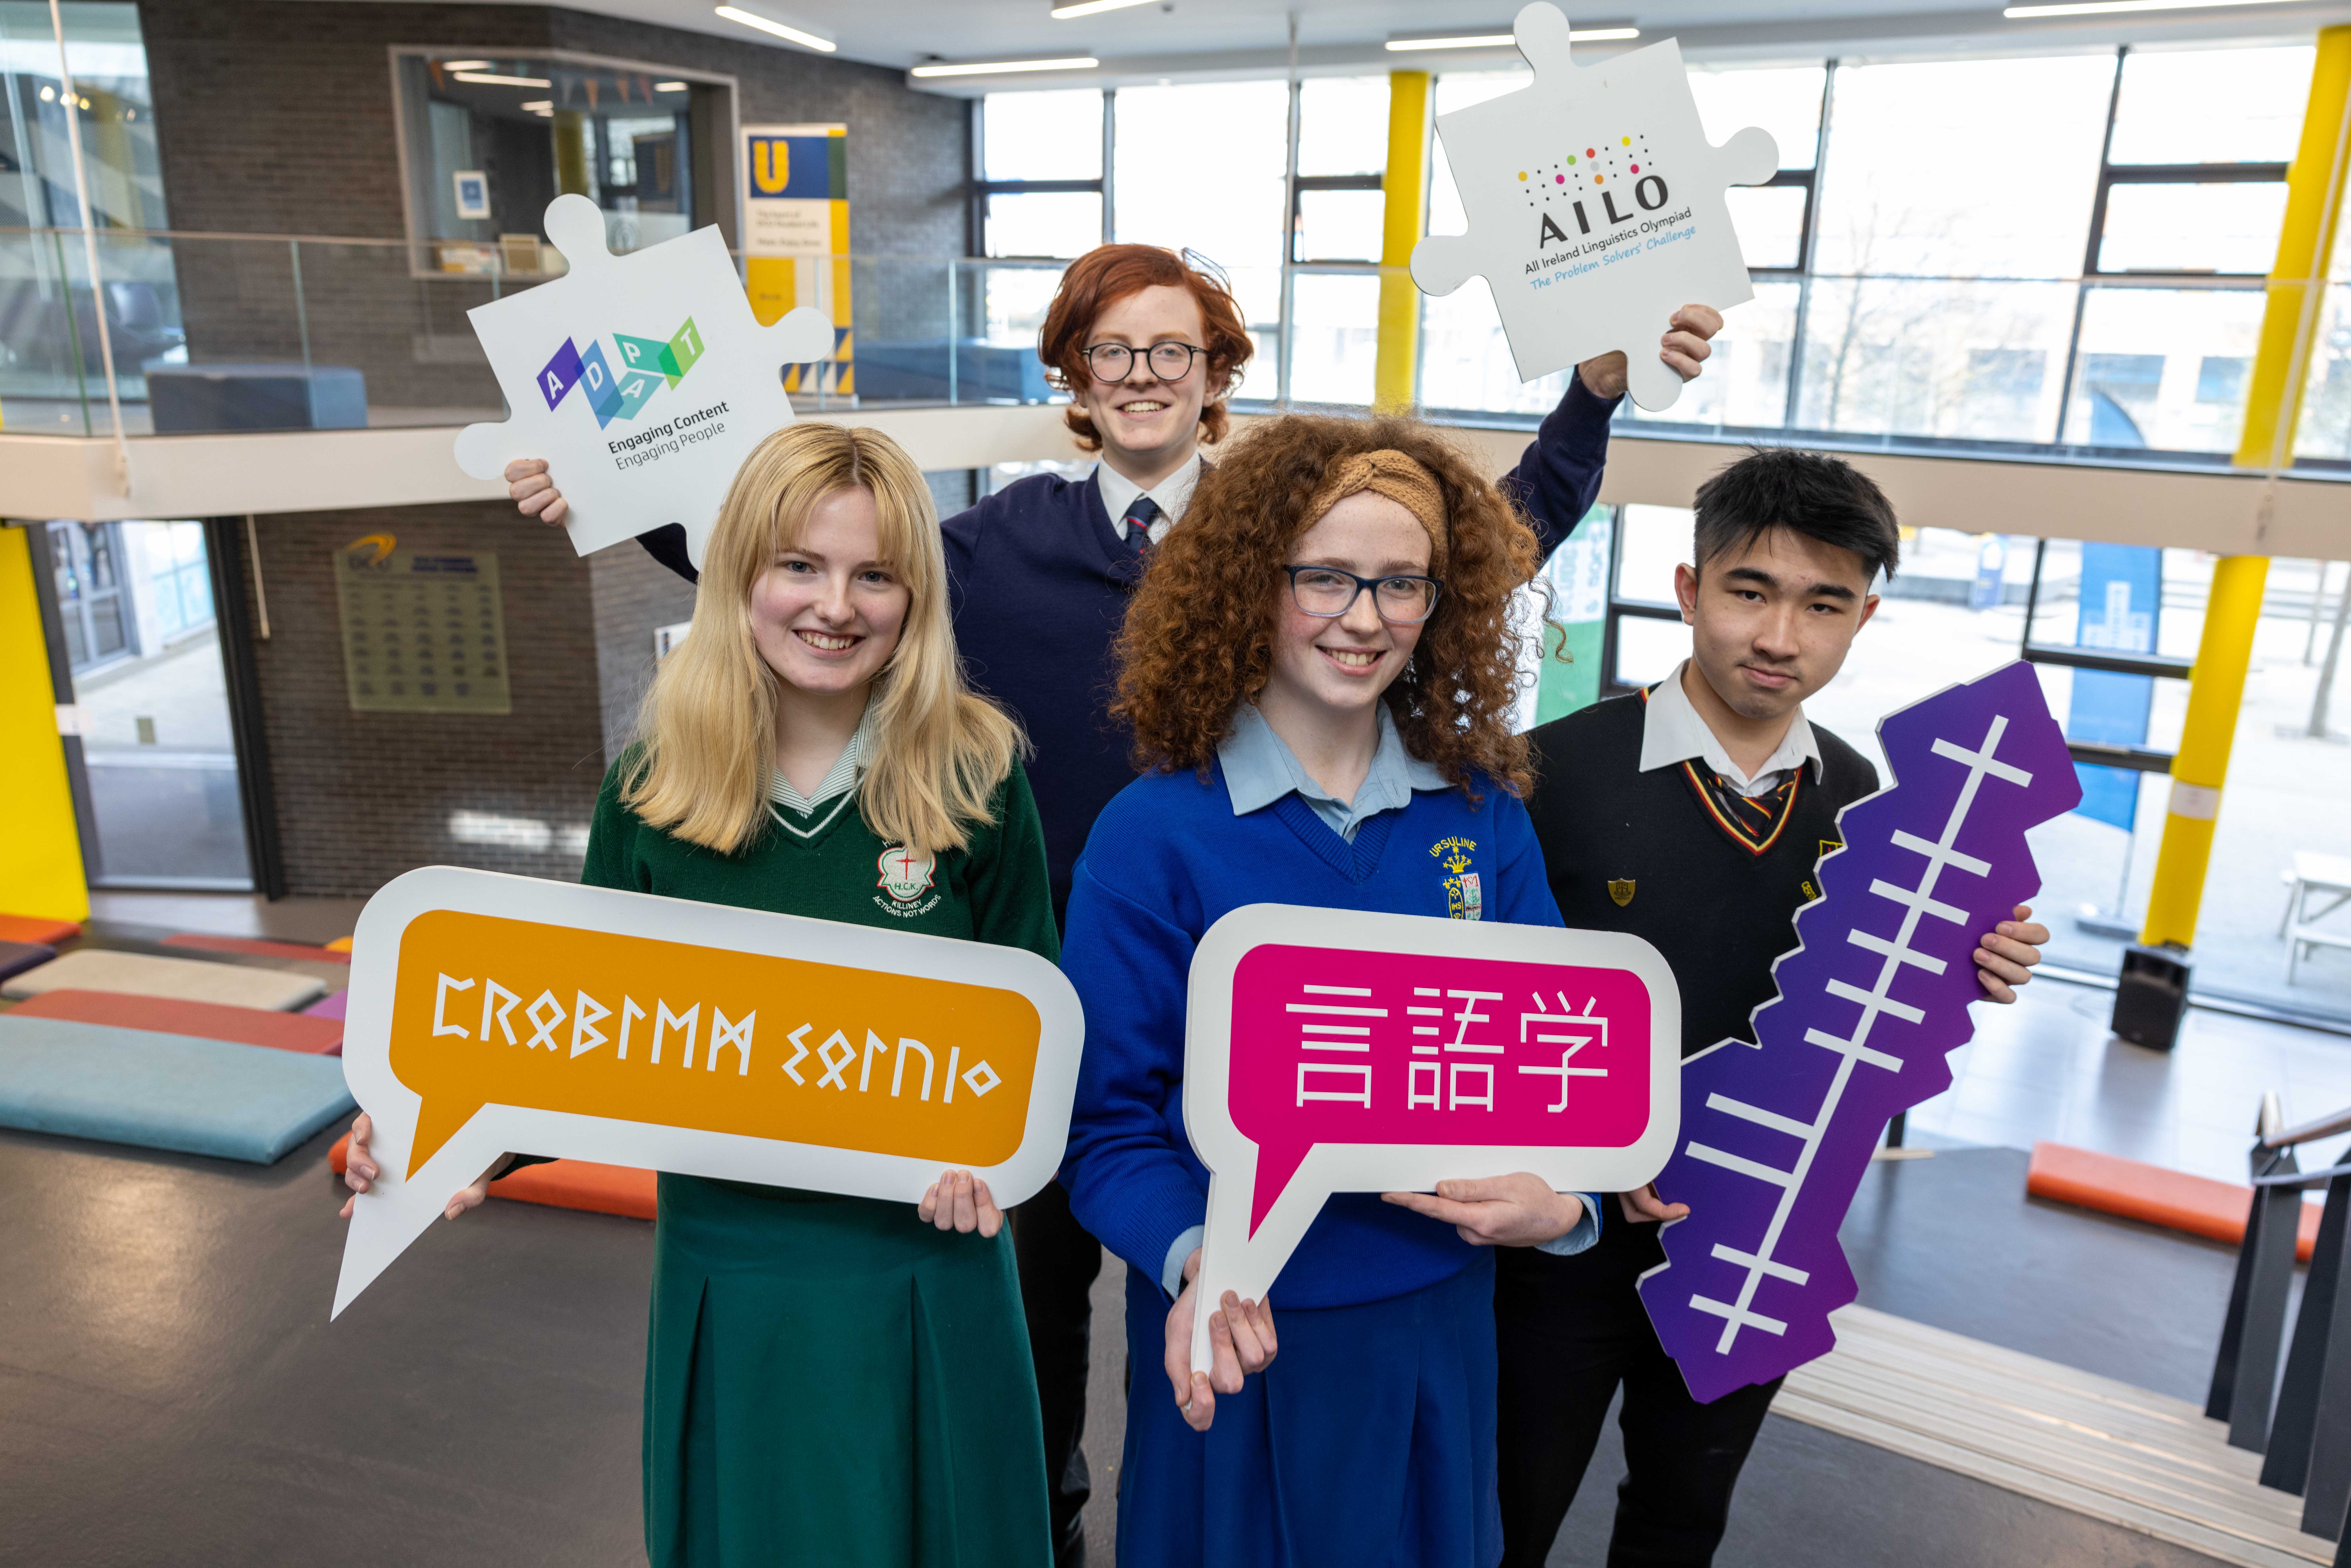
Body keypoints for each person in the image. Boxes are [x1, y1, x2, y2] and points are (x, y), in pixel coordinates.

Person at [506, 242, 1727, 1566]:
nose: (1357, 613)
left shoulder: (1458, 783)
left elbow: (1479, 535)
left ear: (1216, 378)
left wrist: (1591, 399)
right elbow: (819, 584)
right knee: (1024, 1367)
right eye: (1113, 350)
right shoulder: (995, 566)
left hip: (1296, 1207)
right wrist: (630, 490)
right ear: (1075, 377)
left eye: (1173, 350)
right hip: (1062, 1022)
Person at [342, 422, 1057, 1568]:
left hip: (928, 1264)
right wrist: (444, 1138)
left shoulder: (975, 772)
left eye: (874, 573)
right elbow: (586, 1034)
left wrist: (999, 1153)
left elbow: (1032, 1034)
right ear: (741, 577)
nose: (836, 604)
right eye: (799, 566)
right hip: (734, 1264)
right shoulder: (656, 781)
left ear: (915, 594)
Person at [1060, 413, 1611, 1568]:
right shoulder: (1153, 836)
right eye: (1324, 576)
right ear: (1247, 585)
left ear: (1441, 601)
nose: (1363, 618)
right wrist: (1193, 1256)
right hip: (1234, 1320)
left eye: (1400, 584)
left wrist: (1562, 1209)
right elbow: (1105, 1129)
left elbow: (1563, 1090)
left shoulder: (1481, 820)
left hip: (1432, 1332)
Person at [1502, 447, 2051, 1568]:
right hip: (1557, 1234)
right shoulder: (1546, 773)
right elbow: (1486, 1009)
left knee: (1680, 1517)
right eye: (1750, 590)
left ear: (1863, 617)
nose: (1778, 636)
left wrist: (1970, 955)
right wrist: (1599, 1150)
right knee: (1501, 1515)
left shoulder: (1882, 815)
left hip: (1756, 1240)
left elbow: (1864, 1038)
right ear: (1688, 586)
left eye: (1822, 603)